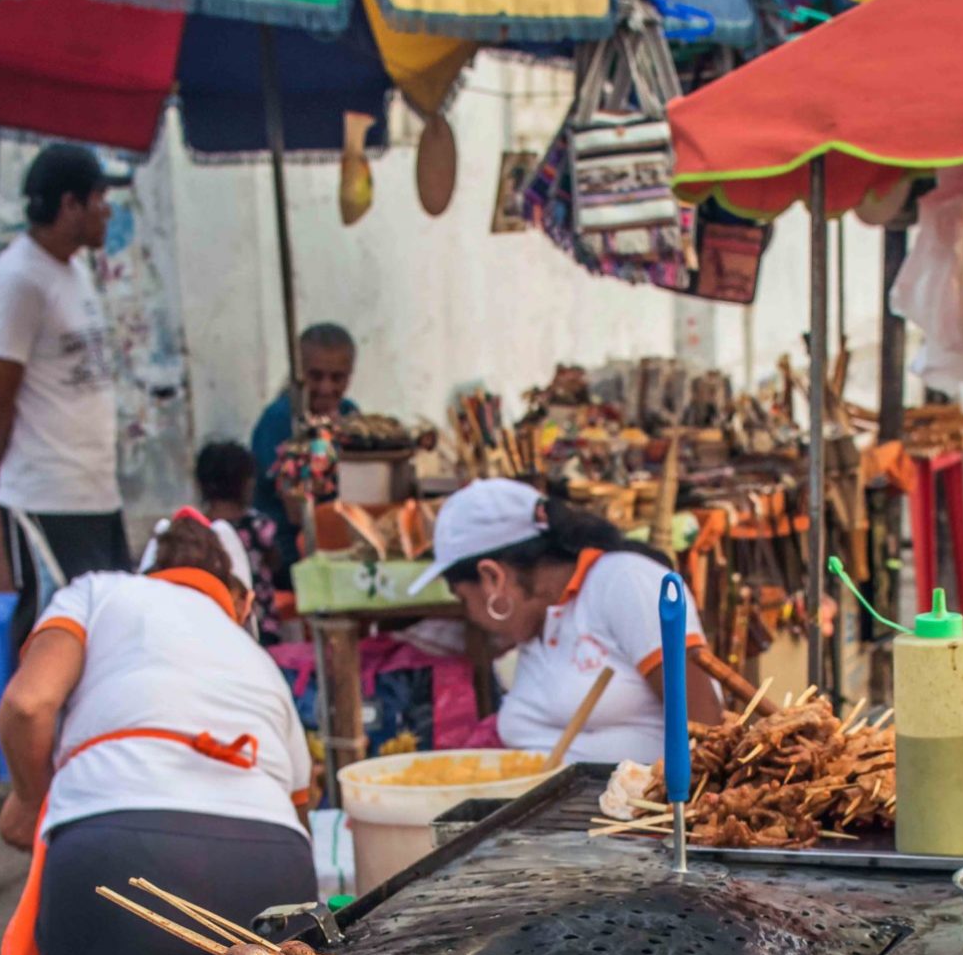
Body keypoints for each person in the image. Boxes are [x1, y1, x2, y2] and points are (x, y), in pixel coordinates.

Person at [0, 510, 317, 955]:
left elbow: (28, 703)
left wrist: (27, 799)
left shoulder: (99, 592)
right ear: (244, 601)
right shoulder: (261, 664)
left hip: (117, 854)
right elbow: (301, 811)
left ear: (146, 573)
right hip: (271, 861)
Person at [409, 479, 722, 764]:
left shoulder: (625, 581)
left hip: (634, 815)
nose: (471, 617)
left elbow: (706, 723)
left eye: (464, 600)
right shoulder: (537, 622)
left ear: (492, 577)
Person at [0, 143, 132, 643]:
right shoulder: (19, 278)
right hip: (47, 491)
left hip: (95, 488)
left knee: (110, 625)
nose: (107, 211)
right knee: (57, 630)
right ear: (70, 205)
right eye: (100, 199)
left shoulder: (74, 269)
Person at [250, 322, 358, 575]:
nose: (326, 388)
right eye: (316, 376)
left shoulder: (349, 414)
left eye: (337, 378)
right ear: (299, 374)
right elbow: (298, 511)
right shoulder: (279, 422)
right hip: (288, 553)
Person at [195, 439, 281, 645]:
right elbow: (276, 563)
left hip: (213, 627)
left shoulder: (198, 530)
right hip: (260, 626)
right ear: (247, 483)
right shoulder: (258, 526)